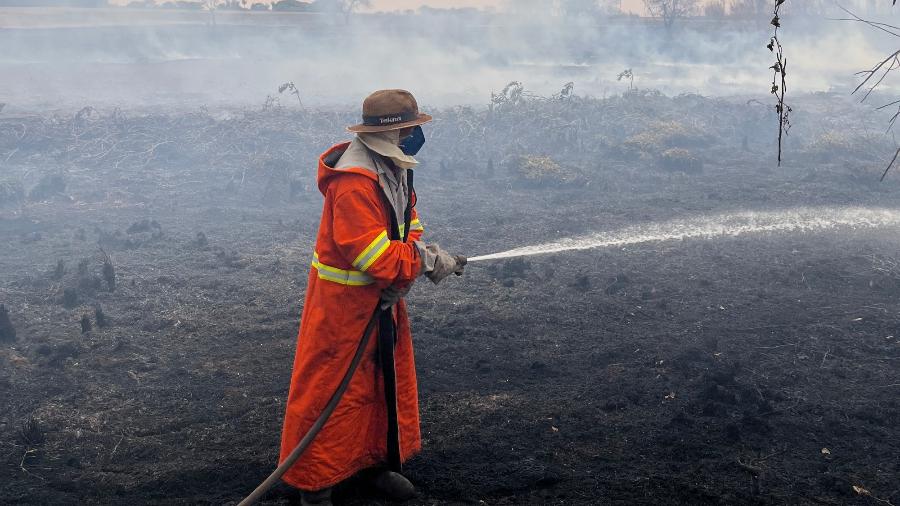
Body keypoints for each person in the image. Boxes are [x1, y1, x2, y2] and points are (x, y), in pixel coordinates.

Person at [279, 89, 466, 506]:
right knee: (332, 392)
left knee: (380, 384)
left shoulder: (390, 167)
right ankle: (315, 485)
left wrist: (417, 253)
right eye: (411, 128)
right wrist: (421, 261)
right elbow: (370, 254)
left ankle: (370, 466)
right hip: (343, 308)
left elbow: (407, 221)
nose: (416, 134)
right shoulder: (353, 183)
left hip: (380, 299)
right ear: (395, 131)